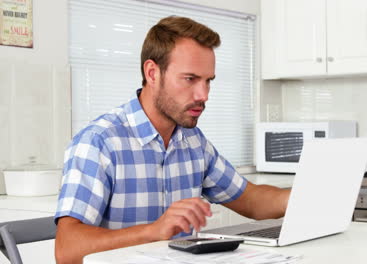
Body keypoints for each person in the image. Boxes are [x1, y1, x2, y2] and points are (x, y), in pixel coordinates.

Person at [54, 16, 290, 264]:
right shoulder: (99, 142)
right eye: (190, 79)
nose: (203, 95)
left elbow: (251, 200)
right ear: (153, 73)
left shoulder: (192, 141)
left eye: (208, 81)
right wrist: (153, 231)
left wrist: (311, 195)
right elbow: (67, 249)